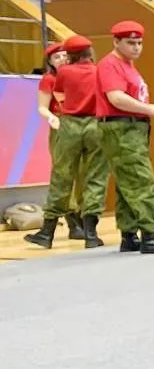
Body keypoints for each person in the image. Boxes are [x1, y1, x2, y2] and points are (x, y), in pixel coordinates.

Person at [95, 21, 154, 254]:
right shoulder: (110, 65)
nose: (136, 47)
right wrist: (150, 109)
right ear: (116, 42)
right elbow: (116, 98)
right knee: (141, 180)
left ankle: (129, 234)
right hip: (121, 128)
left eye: (139, 43)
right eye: (131, 42)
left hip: (131, 128)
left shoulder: (127, 65)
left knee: (128, 183)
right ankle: (149, 236)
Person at [25, 36, 106, 249]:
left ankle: (47, 232)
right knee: (95, 178)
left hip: (69, 125)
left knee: (61, 177)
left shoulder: (64, 73)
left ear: (70, 54)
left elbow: (60, 97)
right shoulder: (99, 71)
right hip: (96, 124)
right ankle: (91, 234)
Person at [32, 42, 86, 241]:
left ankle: (83, 216)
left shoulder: (77, 75)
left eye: (64, 55)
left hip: (81, 125)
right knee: (65, 174)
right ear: (50, 62)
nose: (62, 59)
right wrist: (51, 118)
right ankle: (72, 220)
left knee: (84, 172)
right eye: (57, 57)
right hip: (61, 126)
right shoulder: (49, 79)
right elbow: (42, 106)